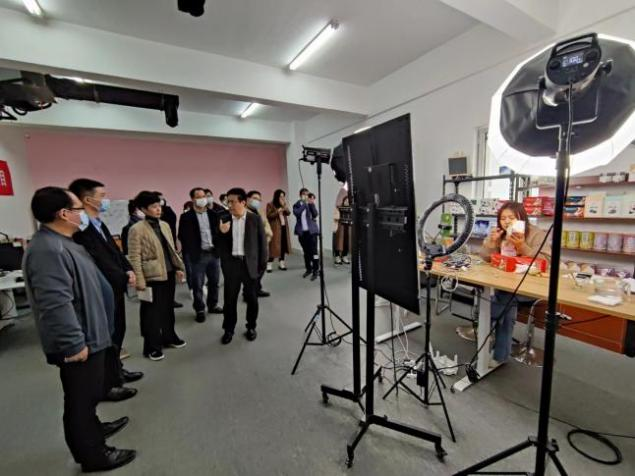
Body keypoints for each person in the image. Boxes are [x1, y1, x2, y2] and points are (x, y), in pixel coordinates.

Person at [23, 187, 136, 472]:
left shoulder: (65, 242)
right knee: (80, 400)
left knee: (88, 395)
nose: (83, 213)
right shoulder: (48, 250)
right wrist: (73, 343)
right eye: (78, 208)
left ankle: (94, 429)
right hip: (79, 341)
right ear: (64, 214)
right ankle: (94, 454)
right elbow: (55, 303)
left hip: (92, 334)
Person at [69, 179, 143, 402]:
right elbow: (98, 261)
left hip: (115, 288)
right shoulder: (80, 230)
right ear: (87, 199)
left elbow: (115, 253)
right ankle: (107, 385)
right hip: (101, 290)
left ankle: (116, 371)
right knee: (105, 337)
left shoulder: (98, 224)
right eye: (102, 196)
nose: (106, 200)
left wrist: (128, 269)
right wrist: (121, 276)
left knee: (117, 331)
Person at [479, 201, 551, 366]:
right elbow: (484, 257)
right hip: (505, 286)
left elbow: (545, 261)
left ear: (521, 217)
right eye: (503, 218)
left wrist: (522, 246)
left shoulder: (536, 234)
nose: (506, 221)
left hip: (529, 287)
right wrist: (491, 244)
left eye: (511, 217)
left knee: (501, 302)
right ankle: (500, 355)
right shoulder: (501, 233)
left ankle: (486, 319)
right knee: (506, 304)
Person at [128, 191, 187, 361]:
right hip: (151, 277)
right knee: (151, 314)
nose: (158, 209)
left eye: (159, 206)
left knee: (168, 309)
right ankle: (151, 347)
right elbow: (134, 257)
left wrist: (177, 267)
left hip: (168, 273)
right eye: (154, 207)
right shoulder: (136, 229)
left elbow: (170, 250)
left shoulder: (165, 225)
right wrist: (140, 280)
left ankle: (169, 337)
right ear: (143, 209)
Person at [216, 188, 267, 345]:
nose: (229, 205)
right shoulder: (224, 218)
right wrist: (221, 233)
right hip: (232, 265)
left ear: (243, 202)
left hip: (249, 265)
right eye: (228, 202)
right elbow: (217, 246)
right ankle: (228, 329)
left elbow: (262, 245)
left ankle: (251, 327)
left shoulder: (255, 219)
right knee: (229, 300)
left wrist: (261, 267)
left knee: (252, 299)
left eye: (233, 202)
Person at [178, 187, 223, 323]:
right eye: (199, 197)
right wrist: (190, 251)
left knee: (214, 282)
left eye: (204, 196)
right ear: (193, 199)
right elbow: (182, 236)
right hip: (198, 256)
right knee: (197, 284)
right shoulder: (186, 217)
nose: (203, 199)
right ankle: (199, 309)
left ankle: (213, 305)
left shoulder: (214, 214)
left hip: (213, 254)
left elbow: (218, 233)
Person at [155, 191, 184, 309]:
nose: (162, 201)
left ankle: (170, 300)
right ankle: (161, 301)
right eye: (159, 199)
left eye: (162, 199)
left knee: (170, 277)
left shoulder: (168, 211)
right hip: (157, 253)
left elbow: (171, 223)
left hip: (169, 246)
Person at [246, 190, 272, 298]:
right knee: (251, 271)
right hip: (251, 246)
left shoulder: (260, 211)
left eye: (259, 200)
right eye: (255, 198)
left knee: (262, 267)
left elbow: (266, 225)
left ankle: (257, 288)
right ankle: (248, 293)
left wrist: (268, 235)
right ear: (248, 199)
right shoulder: (244, 213)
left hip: (263, 244)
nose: (257, 201)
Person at [293, 188, 320, 281]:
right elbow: (297, 213)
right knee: (306, 252)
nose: (306, 196)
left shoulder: (310, 204)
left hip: (312, 232)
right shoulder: (297, 205)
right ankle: (309, 269)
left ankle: (316, 270)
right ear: (300, 195)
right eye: (304, 194)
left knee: (314, 252)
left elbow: (315, 214)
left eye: (307, 194)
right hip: (302, 233)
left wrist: (311, 204)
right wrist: (304, 204)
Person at [265, 189, 291, 272]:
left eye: (283, 196)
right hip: (275, 229)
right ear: (276, 196)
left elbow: (288, 213)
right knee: (274, 247)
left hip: (283, 227)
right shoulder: (270, 204)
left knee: (283, 245)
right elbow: (269, 215)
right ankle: (269, 265)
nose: (282, 198)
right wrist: (277, 211)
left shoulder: (283, 204)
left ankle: (281, 263)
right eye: (281, 196)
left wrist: (284, 207)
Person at [333, 194, 351, 265]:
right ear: (343, 201)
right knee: (338, 241)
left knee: (346, 241)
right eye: (346, 201)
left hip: (347, 227)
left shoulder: (350, 209)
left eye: (348, 201)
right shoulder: (339, 208)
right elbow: (335, 217)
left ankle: (344, 256)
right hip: (340, 227)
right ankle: (337, 256)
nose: (347, 202)